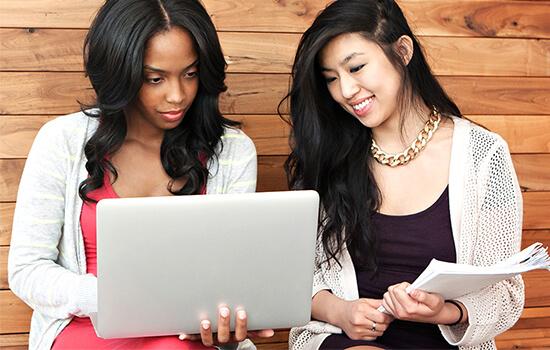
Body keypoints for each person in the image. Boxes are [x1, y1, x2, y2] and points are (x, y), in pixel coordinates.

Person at [8, 0, 273, 349]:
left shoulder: (233, 152)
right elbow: (27, 271)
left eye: (190, 74)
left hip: (187, 335)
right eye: (155, 78)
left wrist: (225, 326)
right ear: (122, 72)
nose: (177, 95)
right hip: (89, 329)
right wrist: (110, 297)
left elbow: (230, 277)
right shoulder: (62, 142)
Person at [282, 0, 524, 349]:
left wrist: (444, 311)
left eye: (357, 67)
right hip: (345, 340)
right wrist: (339, 311)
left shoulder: (483, 155)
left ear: (403, 51)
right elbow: (291, 277)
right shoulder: (328, 154)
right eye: (331, 79)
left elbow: (505, 295)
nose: (346, 92)